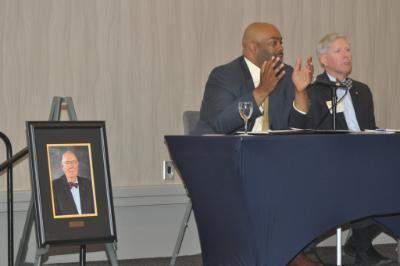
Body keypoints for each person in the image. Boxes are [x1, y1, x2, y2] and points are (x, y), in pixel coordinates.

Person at [192, 22, 320, 266]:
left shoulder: (287, 73)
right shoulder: (223, 75)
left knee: (309, 174)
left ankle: (291, 250)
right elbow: (220, 124)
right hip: (231, 160)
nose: (281, 48)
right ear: (252, 47)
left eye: (281, 41)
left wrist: (301, 91)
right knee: (275, 181)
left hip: (275, 158)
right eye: (274, 42)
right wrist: (261, 90)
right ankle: (290, 255)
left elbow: (299, 128)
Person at [293, 33, 393, 265]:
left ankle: (359, 242)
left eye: (348, 50)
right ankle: (363, 249)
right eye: (339, 51)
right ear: (324, 60)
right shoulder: (313, 90)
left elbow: (369, 128)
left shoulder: (362, 90)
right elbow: (301, 130)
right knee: (363, 177)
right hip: (330, 162)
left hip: (365, 157)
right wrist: (302, 92)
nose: (347, 55)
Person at [52, 150, 95, 216]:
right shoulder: (53, 186)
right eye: (67, 163)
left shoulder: (89, 184)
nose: (71, 166)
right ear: (62, 167)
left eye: (74, 162)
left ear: (77, 164)